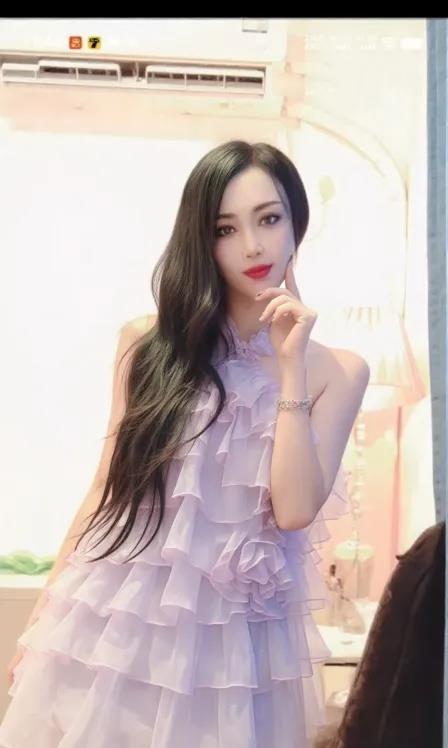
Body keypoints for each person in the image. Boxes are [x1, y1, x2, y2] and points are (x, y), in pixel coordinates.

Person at [1, 140, 370, 747]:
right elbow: (105, 491)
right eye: (226, 229)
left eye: (268, 219)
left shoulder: (339, 371)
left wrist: (291, 366)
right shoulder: (148, 344)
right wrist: (41, 621)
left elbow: (295, 509)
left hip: (238, 654)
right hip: (122, 629)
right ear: (203, 240)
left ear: (296, 223)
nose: (252, 246)